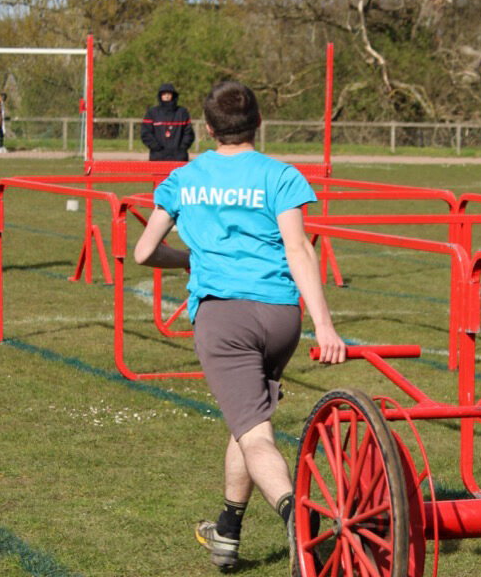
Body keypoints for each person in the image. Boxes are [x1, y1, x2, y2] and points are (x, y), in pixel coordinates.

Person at [133, 81, 346, 574]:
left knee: (254, 436)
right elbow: (299, 250)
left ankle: (298, 518)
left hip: (223, 318)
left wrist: (185, 259)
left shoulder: (185, 177)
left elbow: (143, 252)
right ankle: (227, 533)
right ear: (259, 123)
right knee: (248, 417)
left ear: (206, 128)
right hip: (280, 316)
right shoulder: (282, 175)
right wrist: (325, 326)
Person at [140, 83, 195, 161]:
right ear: (160, 95)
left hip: (178, 157)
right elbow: (146, 133)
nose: (166, 96)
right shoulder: (152, 112)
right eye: (164, 93)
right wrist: (156, 147)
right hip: (158, 156)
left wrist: (182, 148)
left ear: (173, 95)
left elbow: (188, 133)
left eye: (169, 93)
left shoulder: (182, 112)